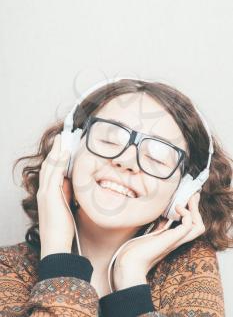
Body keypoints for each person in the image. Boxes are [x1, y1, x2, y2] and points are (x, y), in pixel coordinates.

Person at [0, 78, 232, 316]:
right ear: (68, 152)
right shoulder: (7, 268)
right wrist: (58, 255)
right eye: (109, 140)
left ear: (183, 191)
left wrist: (130, 278)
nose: (126, 161)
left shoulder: (191, 268)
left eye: (157, 158)